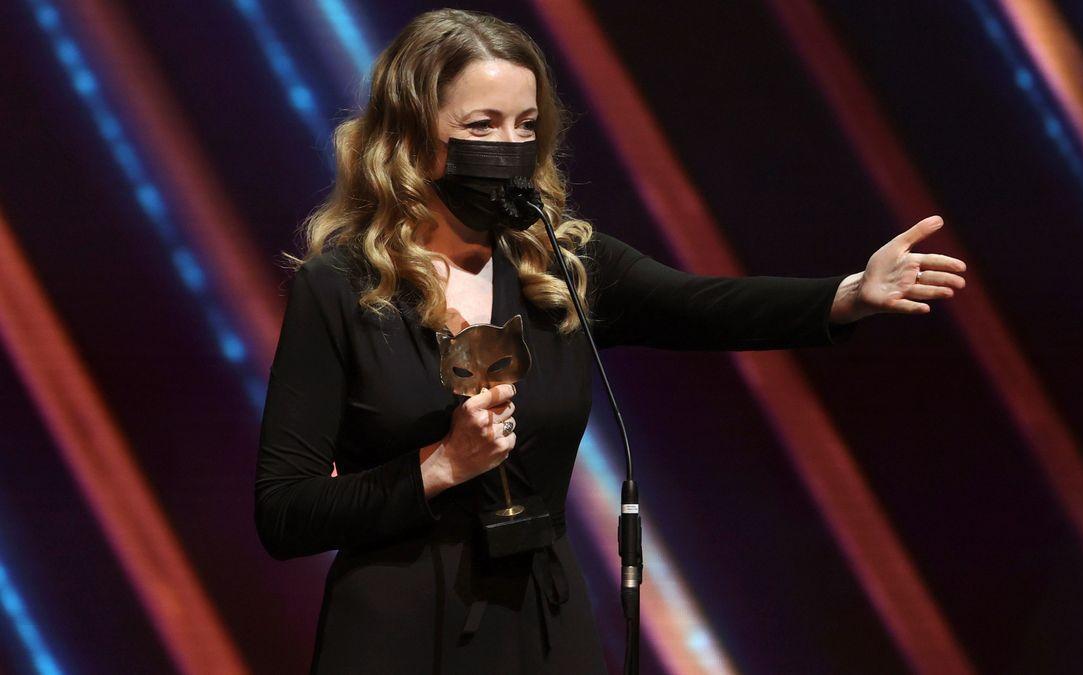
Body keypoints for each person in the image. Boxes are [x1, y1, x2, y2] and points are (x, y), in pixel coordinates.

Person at [254, 8, 967, 674]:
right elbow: (285, 510)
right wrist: (439, 466)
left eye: (525, 125)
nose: (510, 147)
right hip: (399, 635)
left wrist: (848, 293)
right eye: (483, 124)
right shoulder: (342, 286)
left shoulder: (560, 267)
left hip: (544, 623)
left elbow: (704, 305)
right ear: (412, 139)